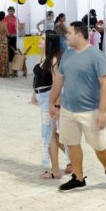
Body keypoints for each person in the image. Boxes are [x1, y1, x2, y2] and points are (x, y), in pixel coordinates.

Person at [49, 22, 106, 193]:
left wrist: (102, 112)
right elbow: (59, 80)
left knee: (99, 145)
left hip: (91, 111)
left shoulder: (95, 56)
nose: (66, 36)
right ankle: (78, 177)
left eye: (69, 33)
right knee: (72, 144)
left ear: (79, 34)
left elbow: (105, 85)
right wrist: (52, 102)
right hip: (68, 110)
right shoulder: (67, 56)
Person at [31, 30, 72, 179]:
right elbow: (39, 77)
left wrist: (54, 104)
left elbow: (58, 84)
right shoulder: (44, 57)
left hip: (50, 99)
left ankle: (55, 170)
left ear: (49, 42)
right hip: (42, 97)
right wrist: (34, 93)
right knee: (52, 135)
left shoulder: (54, 60)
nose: (39, 41)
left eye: (43, 39)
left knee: (49, 136)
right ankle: (72, 160)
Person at [4, 7, 24, 77]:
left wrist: (21, 28)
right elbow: (5, 28)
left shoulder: (16, 18)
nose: (10, 12)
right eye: (9, 11)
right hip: (8, 37)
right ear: (7, 11)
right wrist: (8, 35)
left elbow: (19, 27)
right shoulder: (6, 18)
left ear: (14, 11)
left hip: (15, 37)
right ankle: (9, 71)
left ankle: (14, 70)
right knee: (9, 53)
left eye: (12, 11)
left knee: (14, 53)